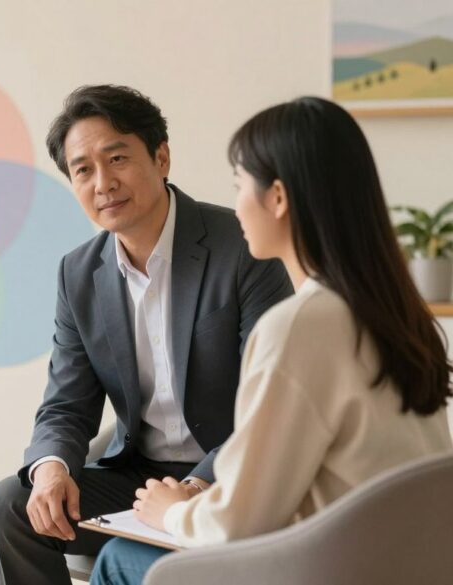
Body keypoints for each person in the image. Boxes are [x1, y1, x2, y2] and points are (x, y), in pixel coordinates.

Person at [90, 96, 453, 585]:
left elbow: (239, 522)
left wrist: (173, 511)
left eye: (240, 185)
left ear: (277, 198)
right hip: (407, 564)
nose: (236, 204)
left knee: (119, 559)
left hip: (328, 570)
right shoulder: (400, 315)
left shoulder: (301, 327)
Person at [0, 84, 292, 585]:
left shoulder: (242, 246)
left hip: (236, 473)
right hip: (138, 478)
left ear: (161, 157)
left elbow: (270, 401)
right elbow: (66, 404)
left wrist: (197, 486)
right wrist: (52, 468)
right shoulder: (78, 273)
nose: (103, 183)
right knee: (9, 507)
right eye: (83, 170)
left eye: (117, 158)